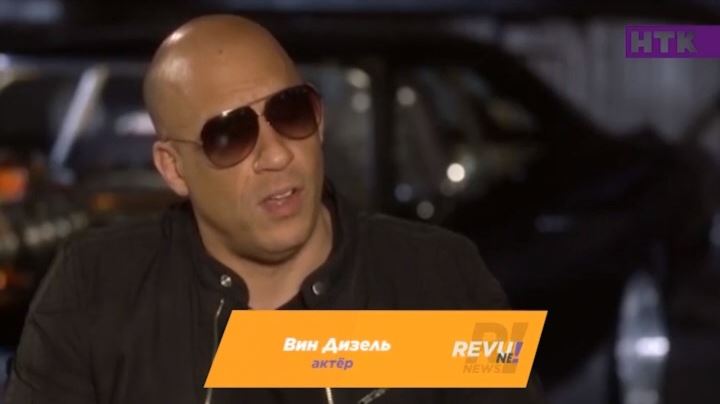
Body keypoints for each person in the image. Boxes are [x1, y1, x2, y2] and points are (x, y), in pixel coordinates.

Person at [5, 15, 545, 404]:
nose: (278, 154)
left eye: (291, 112)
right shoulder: (94, 289)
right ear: (173, 168)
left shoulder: (442, 275)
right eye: (229, 135)